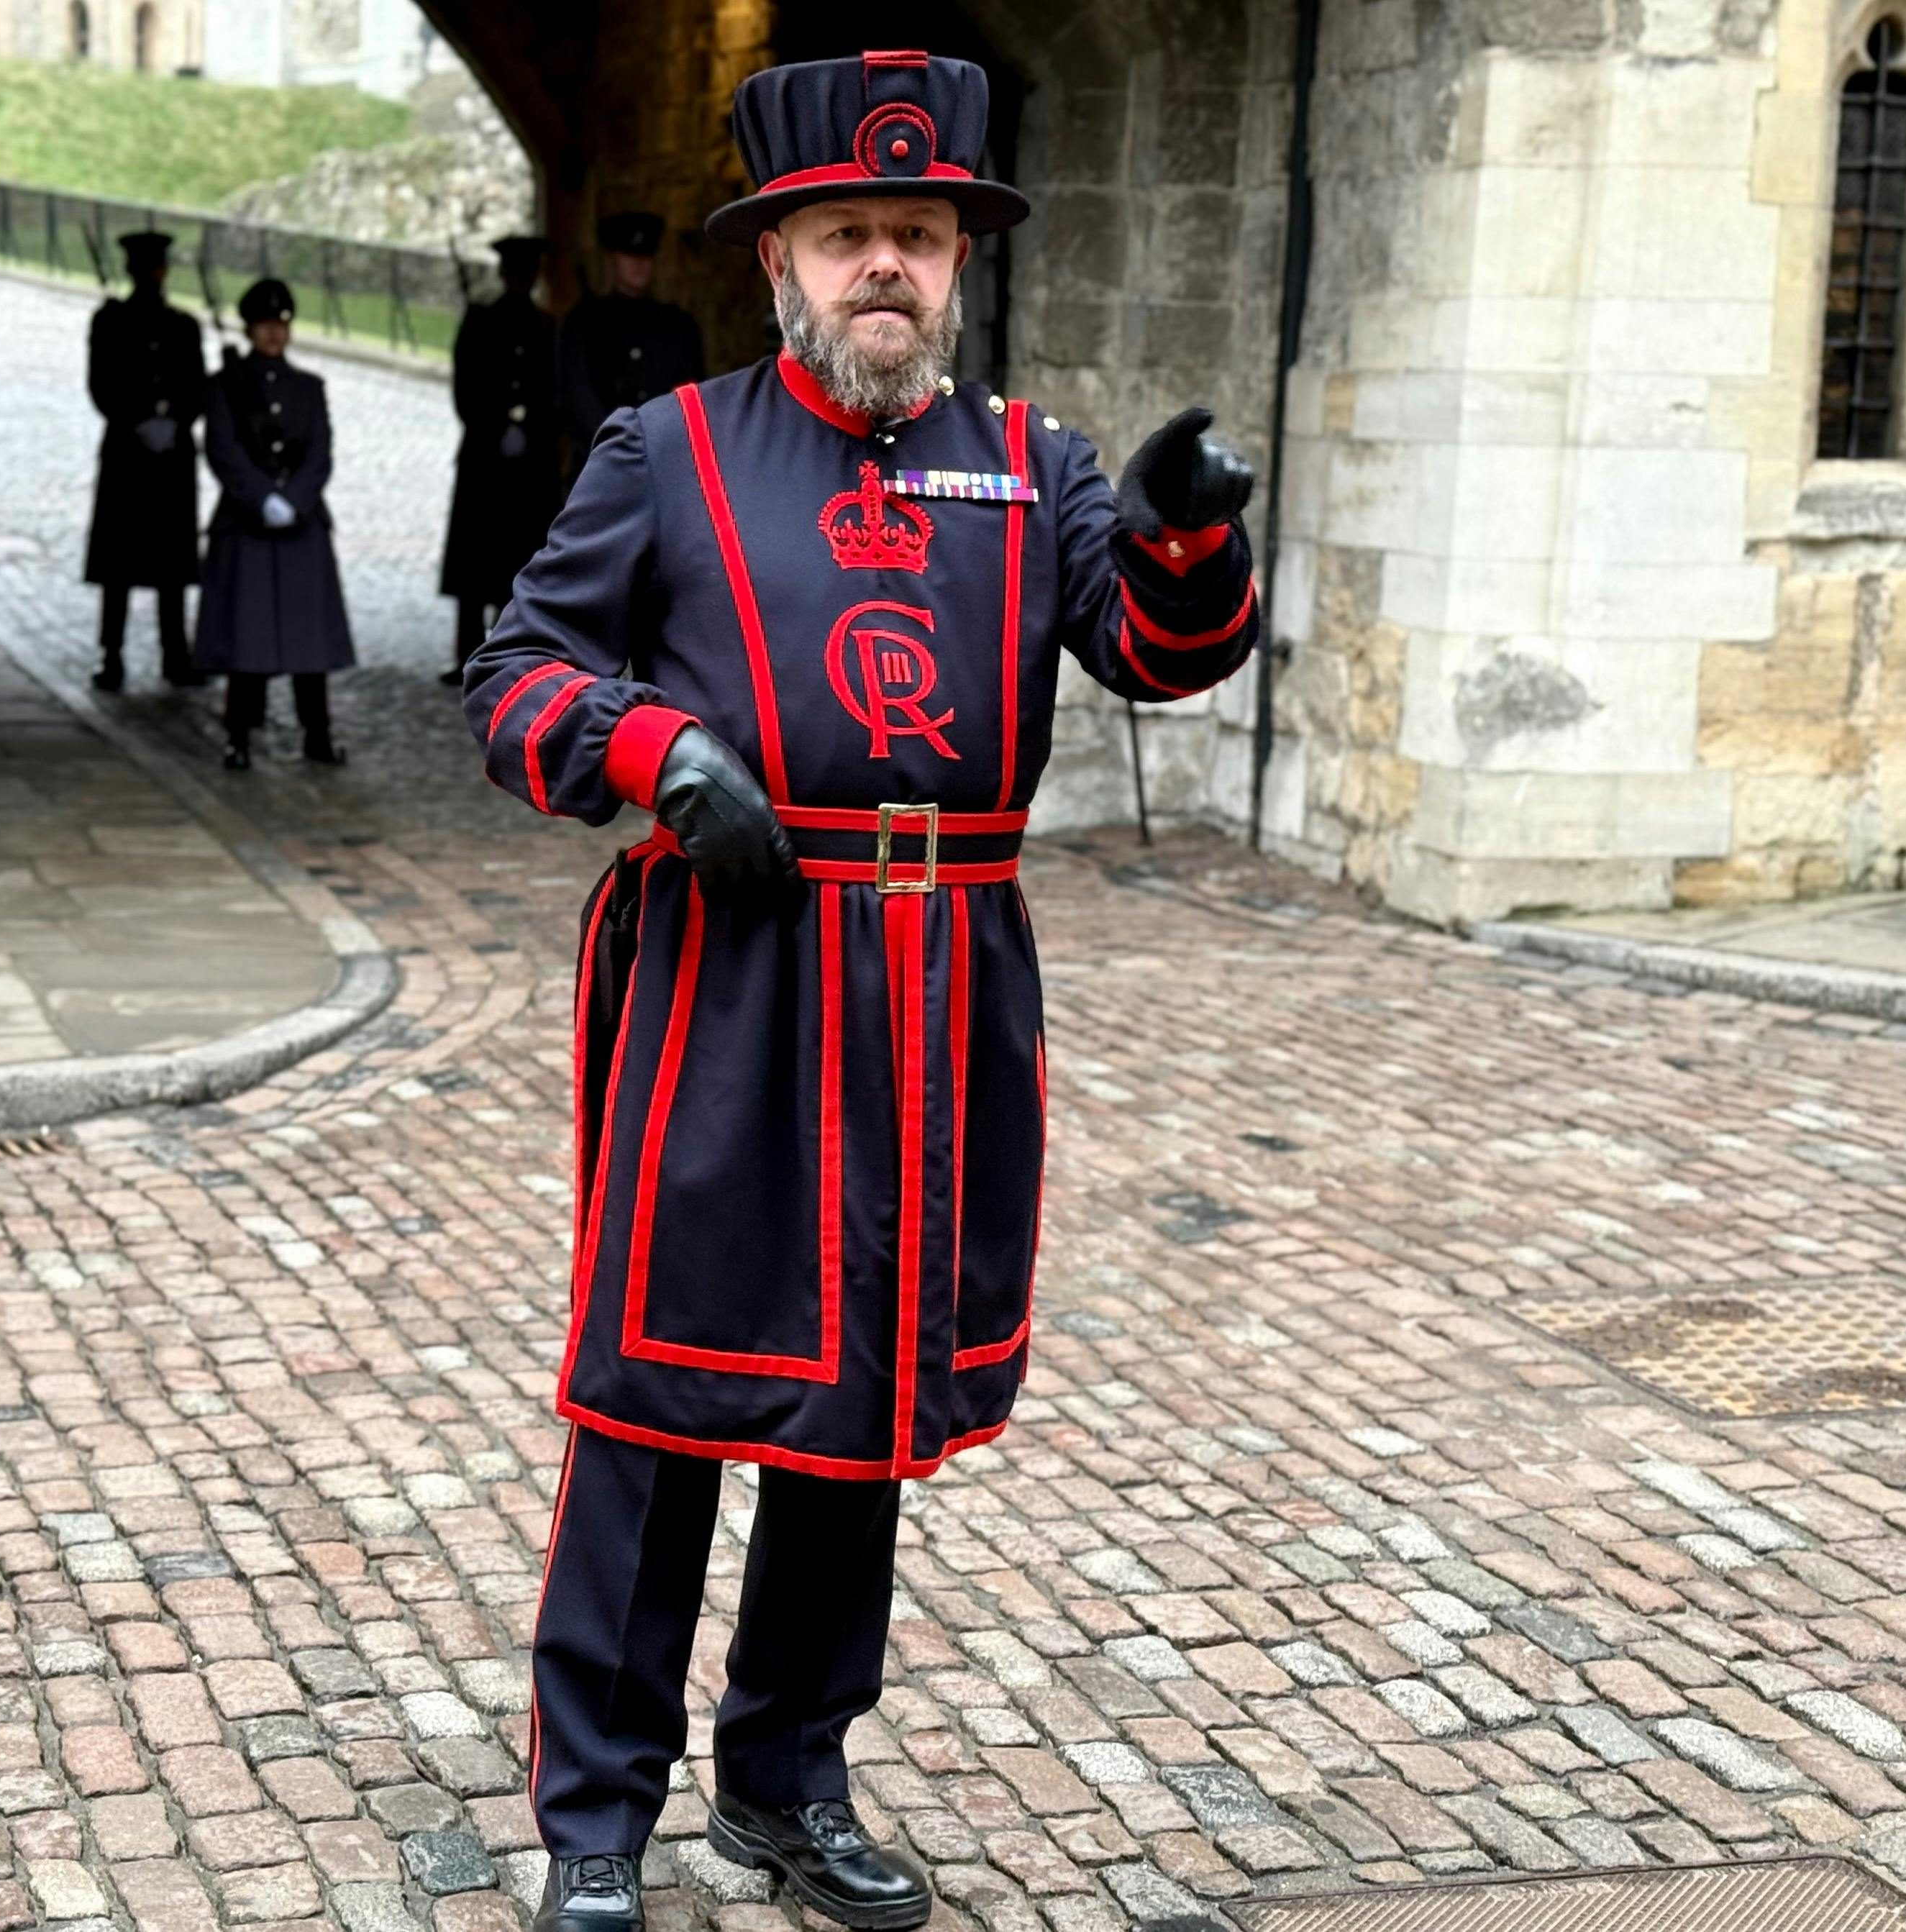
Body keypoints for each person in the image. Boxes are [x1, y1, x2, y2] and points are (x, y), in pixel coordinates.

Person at [460, 51, 1261, 1932]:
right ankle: (597, 1808)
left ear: (957, 262)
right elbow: (516, 677)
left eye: (916, 236)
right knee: (658, 1401)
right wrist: (656, 749)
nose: (884, 268)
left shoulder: (1036, 460)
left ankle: (787, 1776)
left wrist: (1180, 525)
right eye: (848, 238)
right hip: (732, 983)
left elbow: (1154, 651)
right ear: (782, 264)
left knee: (860, 1408)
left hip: (943, 998)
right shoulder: (664, 453)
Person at [197, 278, 354, 768]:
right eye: (265, 326)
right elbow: (222, 449)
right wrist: (261, 497)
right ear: (249, 328)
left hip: (301, 523)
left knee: (309, 640)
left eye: (280, 325)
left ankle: (318, 733)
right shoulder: (226, 386)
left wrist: (296, 500)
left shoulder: (309, 389)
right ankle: (239, 734)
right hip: (247, 521)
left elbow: (321, 454)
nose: (273, 335)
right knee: (249, 638)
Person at [84, 230, 206, 692]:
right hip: (128, 454)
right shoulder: (111, 321)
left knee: (171, 559)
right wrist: (137, 421)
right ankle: (111, 653)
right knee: (119, 558)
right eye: (145, 268)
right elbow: (102, 385)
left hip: (172, 455)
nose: (151, 275)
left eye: (155, 267)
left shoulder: (183, 326)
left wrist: (177, 421)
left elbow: (195, 386)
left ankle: (176, 652)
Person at [439, 234, 561, 684]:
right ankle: (467, 651)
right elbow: (465, 389)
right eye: (516, 271)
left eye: (527, 272)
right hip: (485, 459)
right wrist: (496, 429)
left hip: (530, 462)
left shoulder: (548, 327)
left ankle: (513, 652)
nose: (521, 280)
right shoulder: (480, 322)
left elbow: (555, 391)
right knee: (476, 559)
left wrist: (530, 432)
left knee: (520, 555)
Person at [557, 211, 703, 485]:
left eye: (645, 256)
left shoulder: (679, 326)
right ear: (613, 259)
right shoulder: (583, 323)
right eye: (629, 255)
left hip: (664, 468)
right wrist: (616, 450)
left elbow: (689, 396)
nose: (638, 264)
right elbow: (576, 395)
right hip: (599, 467)